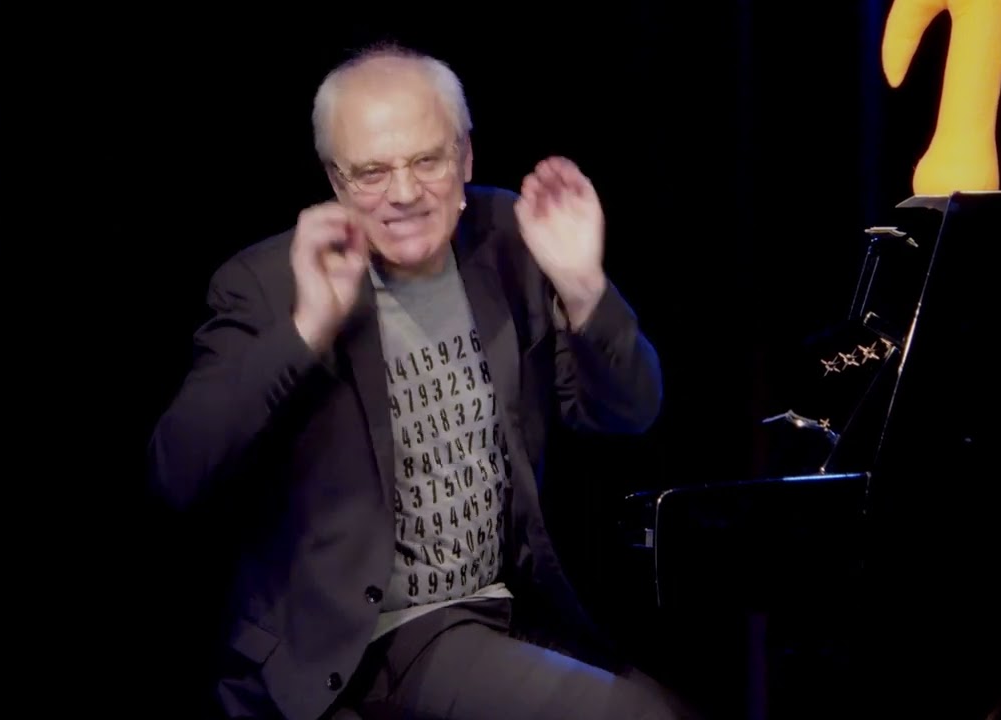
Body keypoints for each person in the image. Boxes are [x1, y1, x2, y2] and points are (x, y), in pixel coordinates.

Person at [148, 42, 700, 720]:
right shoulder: (267, 284)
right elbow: (177, 472)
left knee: (675, 703)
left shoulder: (507, 239)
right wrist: (305, 330)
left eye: (426, 161)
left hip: (506, 610)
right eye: (372, 172)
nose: (404, 194)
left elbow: (630, 411)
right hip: (363, 646)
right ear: (335, 180)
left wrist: (584, 287)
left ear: (465, 157)